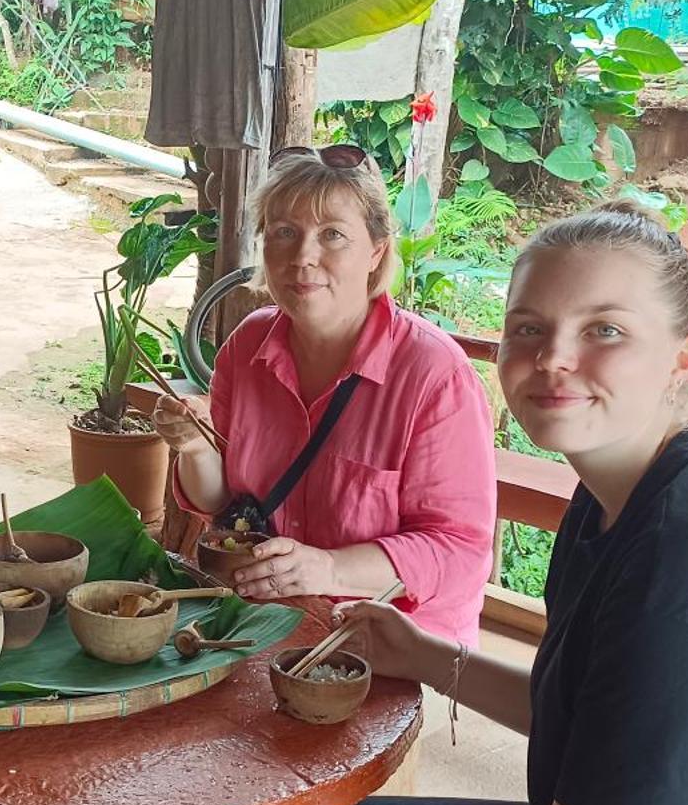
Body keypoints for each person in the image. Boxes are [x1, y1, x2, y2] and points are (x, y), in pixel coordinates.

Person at [221, 201, 688, 805]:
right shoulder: (621, 496)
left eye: (604, 331)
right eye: (529, 329)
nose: (553, 359)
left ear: (683, 358)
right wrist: (425, 655)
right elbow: (595, 718)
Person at [156, 144, 496, 645]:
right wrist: (193, 446)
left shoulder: (433, 373)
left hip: (389, 644)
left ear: (377, 250)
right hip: (263, 621)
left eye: (332, 235)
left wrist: (327, 570)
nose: (302, 258)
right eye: (283, 233)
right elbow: (226, 505)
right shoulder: (247, 345)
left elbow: (458, 552)